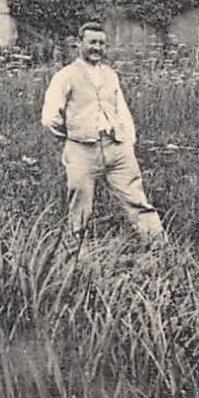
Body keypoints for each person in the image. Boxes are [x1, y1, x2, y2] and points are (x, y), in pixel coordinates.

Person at [41, 21, 165, 241]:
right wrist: (72, 137)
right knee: (79, 206)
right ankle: (76, 255)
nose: (97, 48)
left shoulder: (110, 75)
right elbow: (51, 117)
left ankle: (159, 247)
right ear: (79, 43)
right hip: (82, 150)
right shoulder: (65, 76)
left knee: (137, 200)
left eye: (101, 43)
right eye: (92, 42)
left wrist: (127, 141)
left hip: (116, 147)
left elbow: (122, 110)